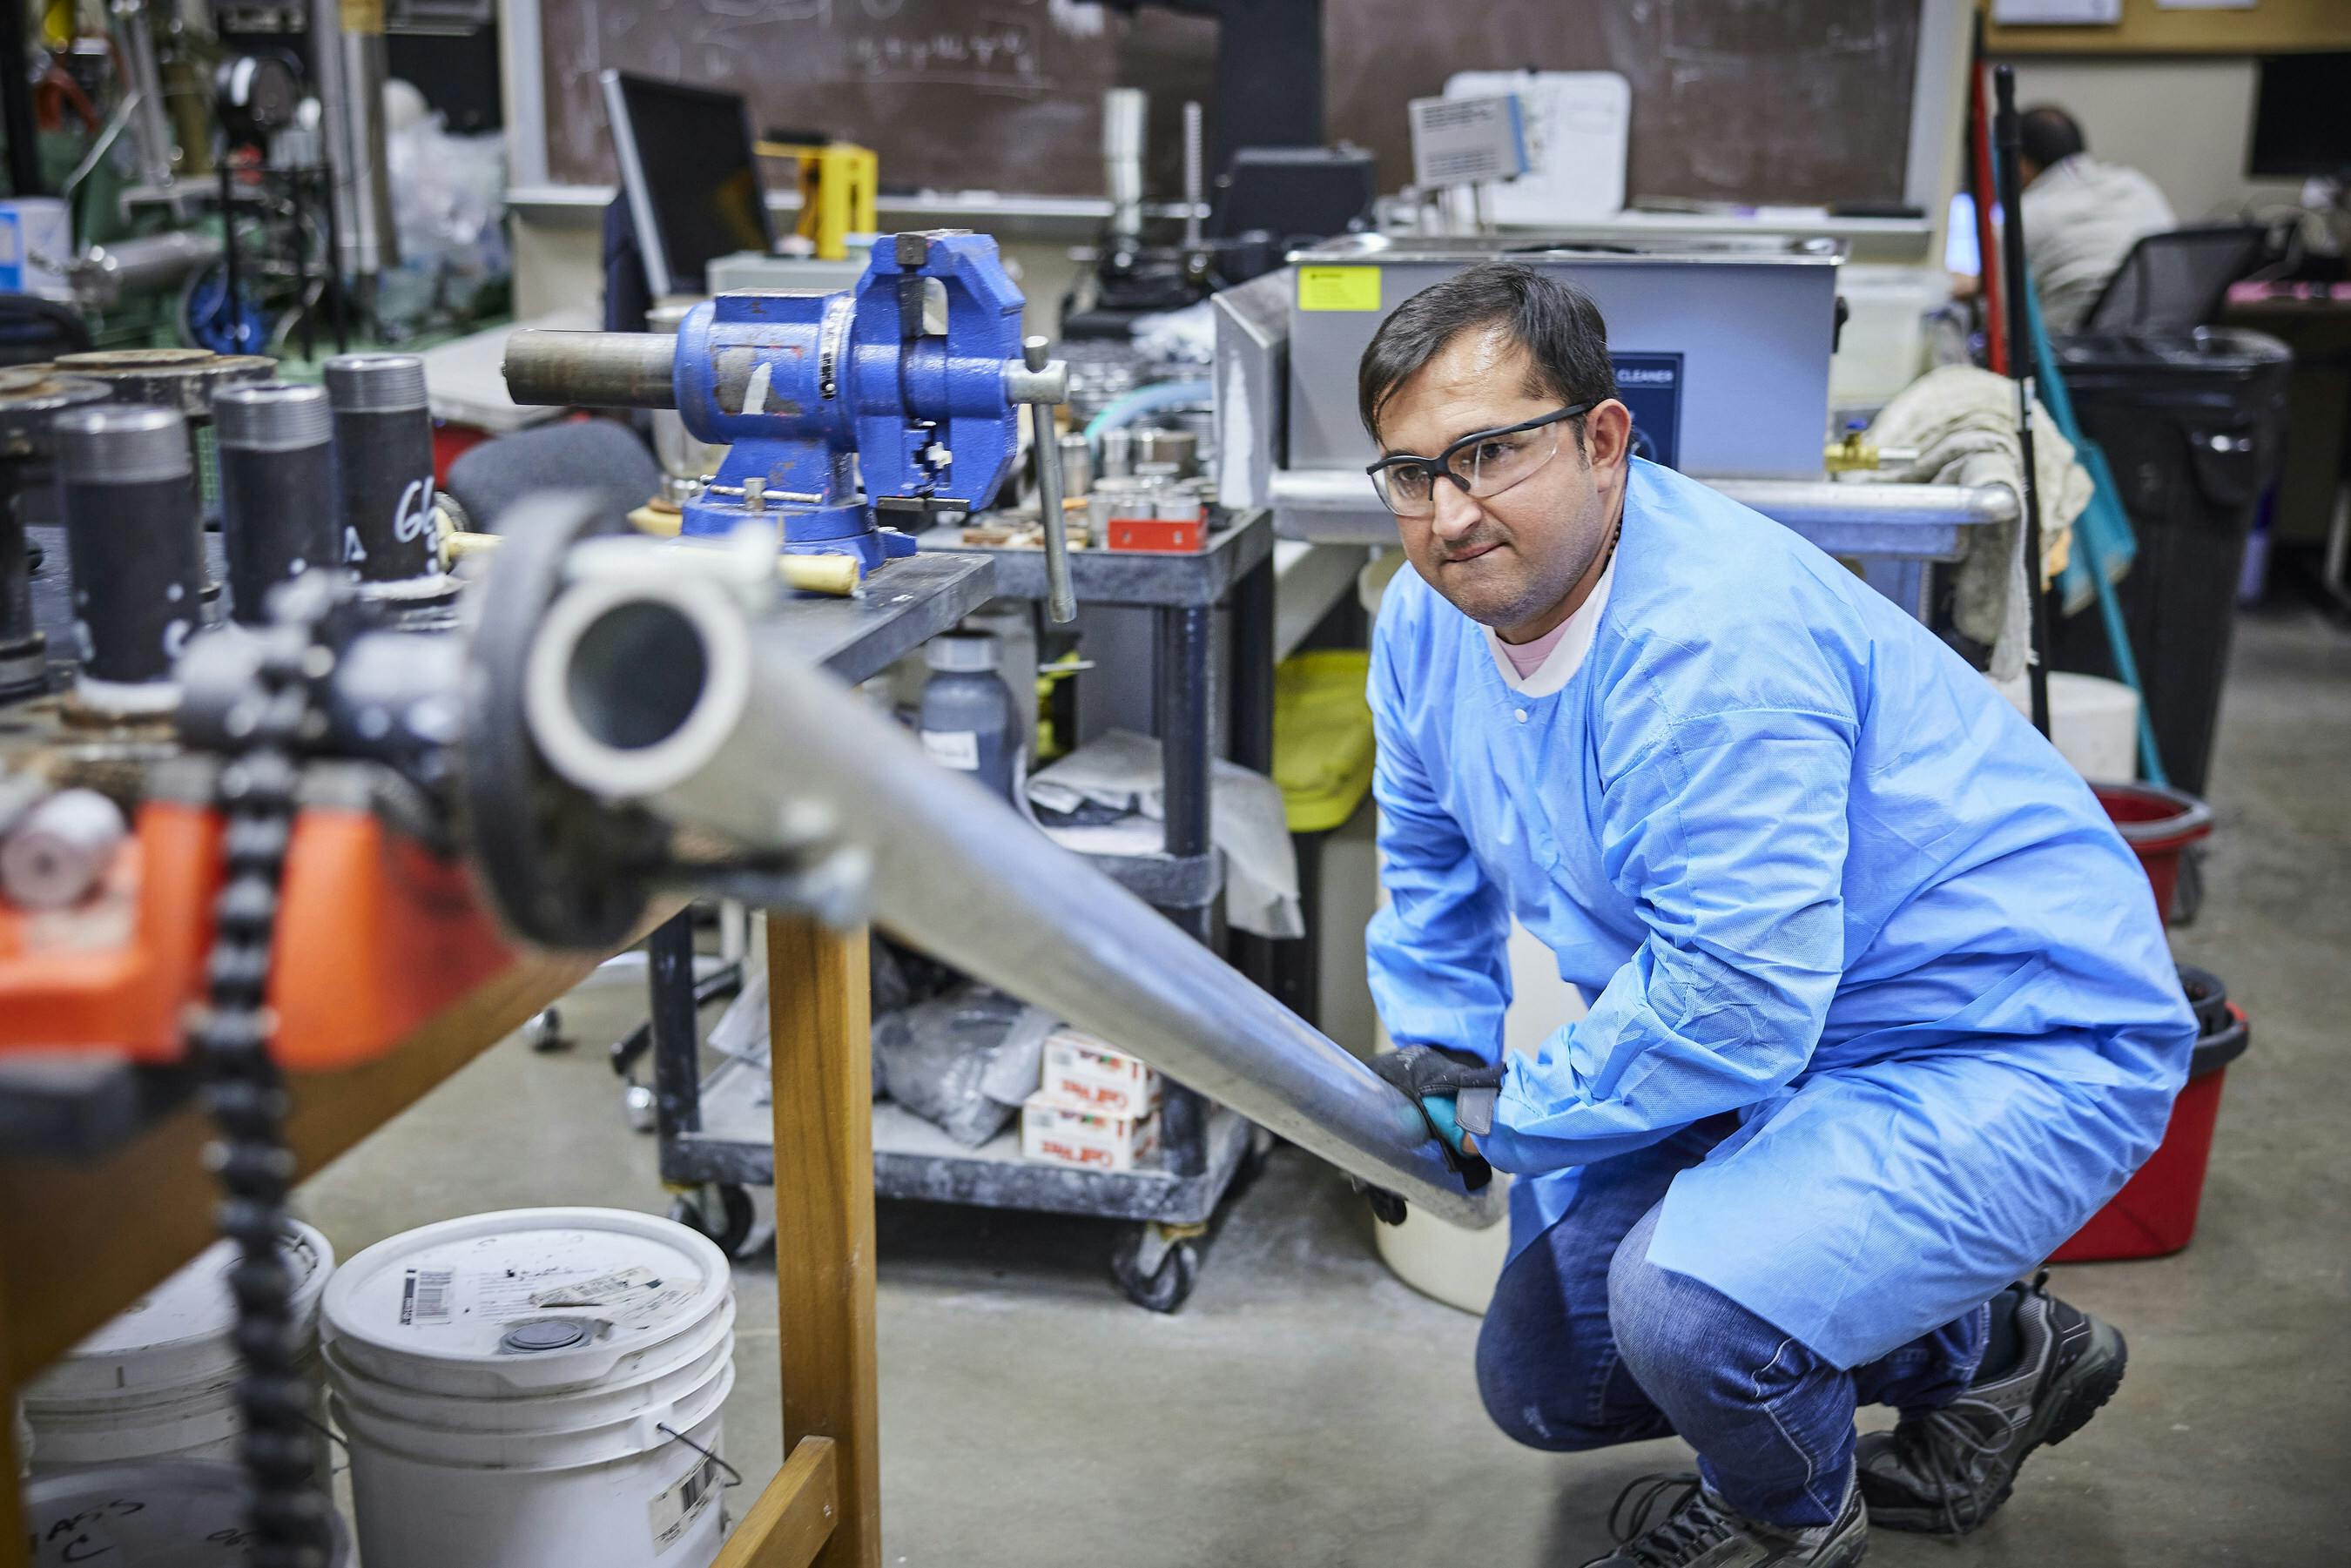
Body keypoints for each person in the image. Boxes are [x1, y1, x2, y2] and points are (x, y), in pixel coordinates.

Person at [1357, 263, 2193, 1567]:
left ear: (1602, 438)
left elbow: (1732, 999)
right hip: (1789, 1034)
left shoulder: (1713, 645)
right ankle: (1992, 1356)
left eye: (1488, 453)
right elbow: (1426, 851)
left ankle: (1784, 1520)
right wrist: (1437, 1042)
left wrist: (1513, 1112)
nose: (1451, 513)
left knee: (1687, 1317)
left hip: (2001, 1037)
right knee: (1547, 1378)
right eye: (1411, 474)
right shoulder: (1426, 623)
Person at [2015, 105, 2177, 333]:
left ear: (2022, 165)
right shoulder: (2137, 185)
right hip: (2161, 347)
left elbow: (2001, 314)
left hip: (2066, 357)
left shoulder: (2026, 213)